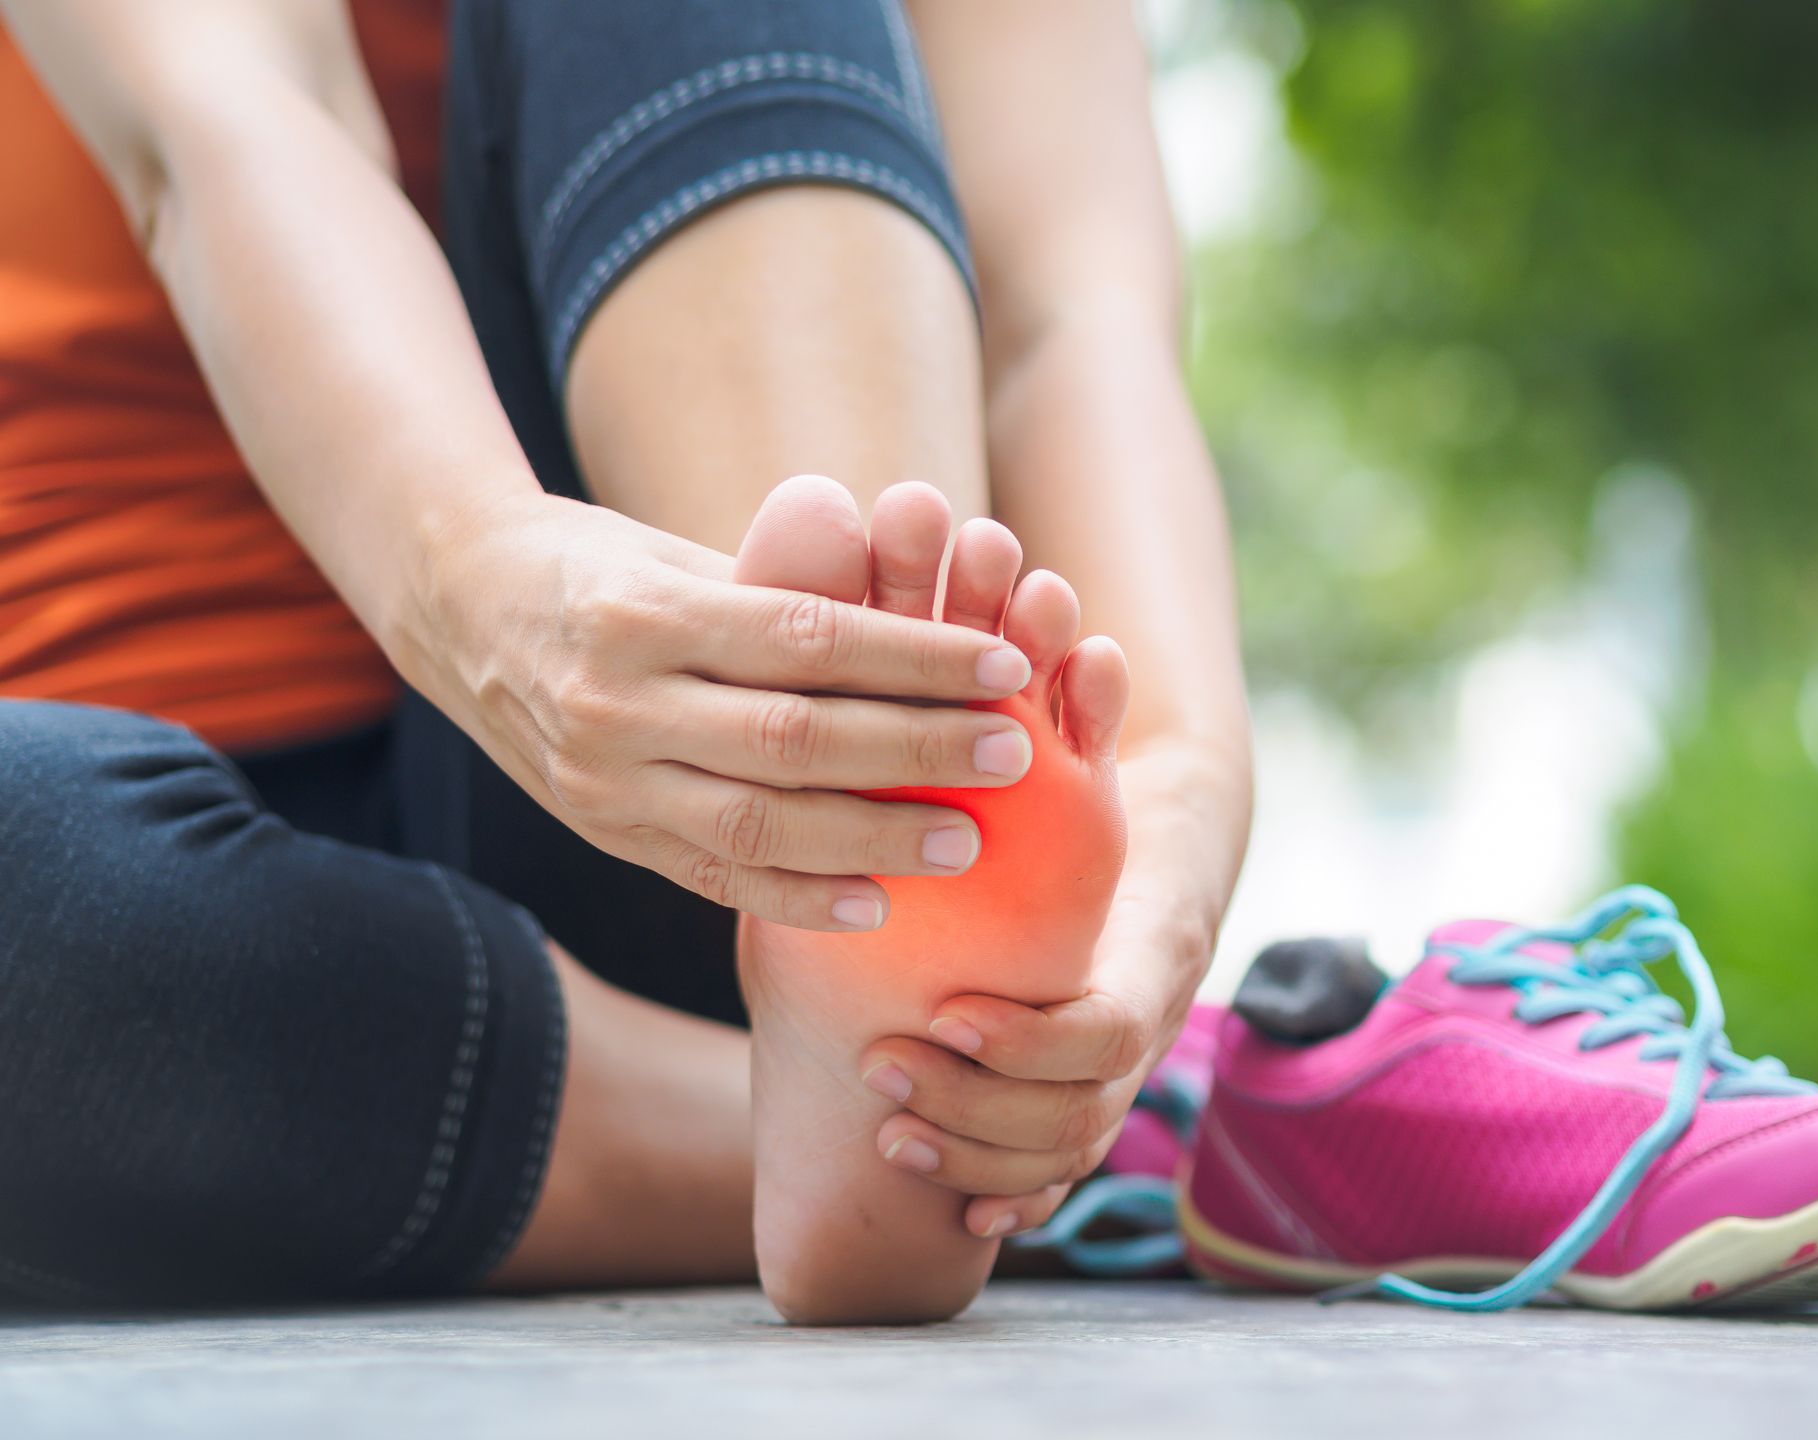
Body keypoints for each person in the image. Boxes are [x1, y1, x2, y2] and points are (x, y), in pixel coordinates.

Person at [0, 0, 1251, 1322]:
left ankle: (870, 899)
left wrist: (1181, 781)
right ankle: (930, 1120)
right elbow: (236, 119)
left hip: (674, 820)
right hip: (168, 872)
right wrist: (482, 575)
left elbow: (1070, 308)